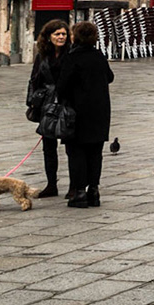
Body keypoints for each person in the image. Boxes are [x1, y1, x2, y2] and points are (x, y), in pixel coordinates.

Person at [55, 21, 114, 208]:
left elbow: (62, 86)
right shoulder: (98, 56)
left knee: (77, 153)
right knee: (96, 153)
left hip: (77, 113)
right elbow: (110, 77)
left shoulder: (72, 58)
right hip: (100, 111)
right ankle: (94, 191)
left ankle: (80, 192)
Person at [28, 20, 68, 197]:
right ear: (49, 37)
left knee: (71, 145)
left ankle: (76, 186)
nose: (61, 37)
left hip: (67, 102)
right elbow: (35, 79)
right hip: (48, 104)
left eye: (63, 34)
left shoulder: (71, 54)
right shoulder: (42, 56)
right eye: (57, 34)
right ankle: (52, 184)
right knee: (48, 146)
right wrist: (32, 102)